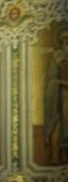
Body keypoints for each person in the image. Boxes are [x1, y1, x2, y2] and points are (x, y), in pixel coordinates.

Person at [45, 26, 68, 165]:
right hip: (62, 95)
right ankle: (56, 156)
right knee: (59, 125)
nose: (66, 42)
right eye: (64, 39)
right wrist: (58, 83)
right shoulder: (57, 56)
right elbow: (51, 79)